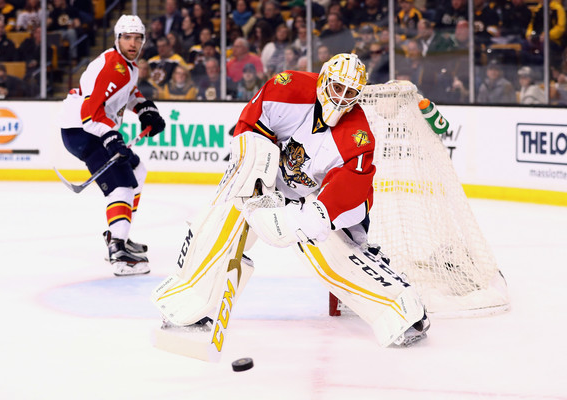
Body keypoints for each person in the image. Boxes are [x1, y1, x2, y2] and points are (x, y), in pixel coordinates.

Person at [152, 53, 430, 347]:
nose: (341, 98)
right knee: (229, 208)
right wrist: (259, 189)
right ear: (324, 79)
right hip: (267, 182)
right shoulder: (288, 88)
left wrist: (304, 220)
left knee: (328, 251)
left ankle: (401, 308)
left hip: (313, 199)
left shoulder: (357, 136)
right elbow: (248, 132)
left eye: (350, 93)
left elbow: (352, 193)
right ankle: (187, 298)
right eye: (337, 87)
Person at [59, 15, 166, 276]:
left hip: (93, 129)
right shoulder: (110, 66)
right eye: (127, 37)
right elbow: (89, 113)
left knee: (137, 171)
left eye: (137, 38)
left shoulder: (128, 66)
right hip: (81, 131)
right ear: (117, 38)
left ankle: (120, 233)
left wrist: (145, 110)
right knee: (121, 184)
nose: (133, 43)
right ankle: (118, 251)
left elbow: (128, 94)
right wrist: (111, 138)